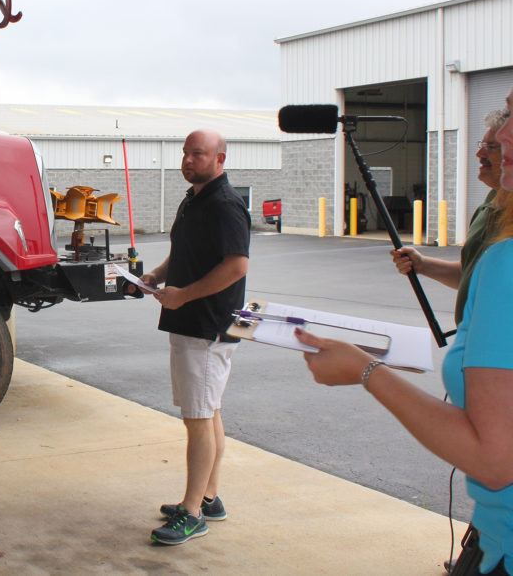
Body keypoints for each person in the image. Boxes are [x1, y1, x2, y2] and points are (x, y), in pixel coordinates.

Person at [297, 93, 513, 575]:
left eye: (505, 128)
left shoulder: (509, 259)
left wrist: (365, 369)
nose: (492, 145)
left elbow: (495, 461)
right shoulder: (492, 220)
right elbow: (477, 277)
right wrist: (428, 265)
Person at [134, 129, 250, 546]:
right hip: (189, 321)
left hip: (206, 325)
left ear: (221, 158)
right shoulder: (195, 198)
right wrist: (157, 276)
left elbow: (236, 266)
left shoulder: (225, 205)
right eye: (185, 153)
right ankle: (209, 496)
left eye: (197, 154)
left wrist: (184, 295)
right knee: (209, 410)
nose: (187, 160)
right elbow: (185, 253)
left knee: (198, 420)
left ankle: (192, 512)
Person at [391, 110, 508, 325]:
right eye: (480, 145)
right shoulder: (490, 202)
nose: (480, 154)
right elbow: (469, 273)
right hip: (472, 343)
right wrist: (422, 264)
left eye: (491, 147)